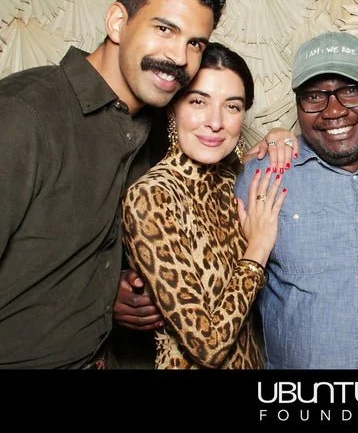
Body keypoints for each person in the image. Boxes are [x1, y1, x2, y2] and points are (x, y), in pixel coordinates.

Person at [0, 0, 226, 369]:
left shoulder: (155, 130)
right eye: (165, 29)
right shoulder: (24, 113)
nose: (181, 58)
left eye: (195, 43)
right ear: (117, 22)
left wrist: (108, 289)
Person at [234, 31, 358, 369]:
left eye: (350, 91)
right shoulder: (263, 175)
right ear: (298, 104)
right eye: (314, 96)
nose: (334, 110)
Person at [121, 43, 286, 369]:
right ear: (173, 108)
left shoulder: (232, 178)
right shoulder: (152, 197)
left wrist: (281, 136)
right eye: (198, 101)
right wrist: (258, 250)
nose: (215, 122)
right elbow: (207, 345)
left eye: (232, 107)